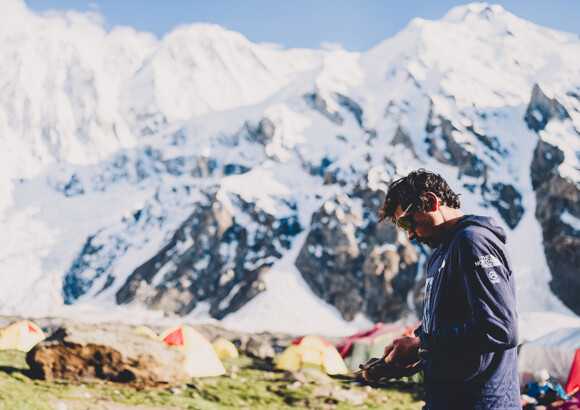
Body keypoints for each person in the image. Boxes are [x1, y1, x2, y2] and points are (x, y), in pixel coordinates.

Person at [363, 169, 520, 409]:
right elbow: (451, 338)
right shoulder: (439, 256)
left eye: (407, 221)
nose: (410, 235)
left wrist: (420, 346)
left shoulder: (472, 241)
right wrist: (402, 364)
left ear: (431, 201)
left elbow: (500, 328)